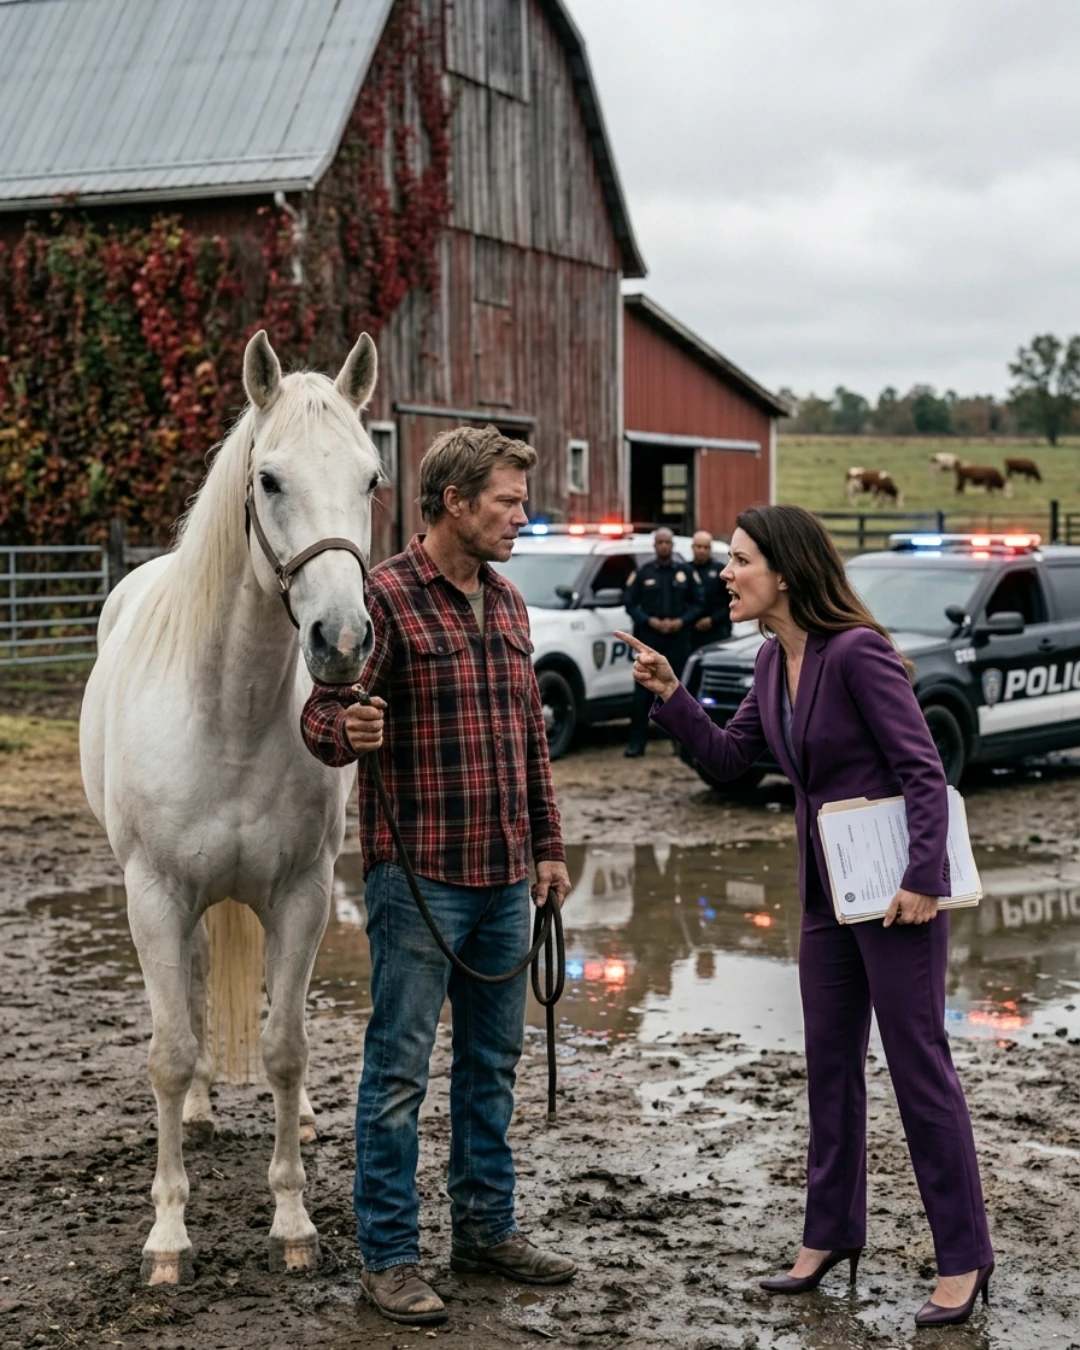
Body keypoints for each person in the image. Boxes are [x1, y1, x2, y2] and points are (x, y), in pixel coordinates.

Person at [615, 503, 994, 1330]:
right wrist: (673, 695)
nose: (726, 572)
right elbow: (726, 759)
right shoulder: (766, 666)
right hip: (829, 901)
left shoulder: (858, 654)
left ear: (784, 572)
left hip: (898, 899)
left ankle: (964, 1256)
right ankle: (829, 1235)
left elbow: (923, 771)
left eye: (740, 559)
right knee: (829, 1070)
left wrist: (923, 876)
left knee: (919, 1071)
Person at [301, 425, 575, 1327]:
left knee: (491, 1069)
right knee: (399, 1077)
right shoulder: (381, 597)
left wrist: (548, 847)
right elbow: (323, 714)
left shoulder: (507, 601)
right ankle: (388, 1256)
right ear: (454, 501)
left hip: (504, 881)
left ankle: (486, 1231)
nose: (520, 517)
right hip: (419, 883)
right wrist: (351, 733)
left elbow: (530, 737)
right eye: (506, 501)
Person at [622, 527, 701, 757]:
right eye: (660, 542)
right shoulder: (644, 572)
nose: (664, 546)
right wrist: (650, 621)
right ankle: (636, 743)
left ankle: (683, 745)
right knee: (642, 695)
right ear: (655, 545)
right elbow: (629, 603)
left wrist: (681, 621)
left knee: (679, 692)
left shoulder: (685, 572)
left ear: (672, 545)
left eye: (667, 542)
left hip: (678, 641)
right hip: (650, 641)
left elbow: (699, 602)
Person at [689, 529, 732, 649]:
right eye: (699, 546)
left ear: (710, 549)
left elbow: (731, 601)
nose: (702, 550)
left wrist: (712, 620)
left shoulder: (721, 571)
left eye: (705, 547)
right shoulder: (685, 570)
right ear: (693, 547)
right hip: (690, 632)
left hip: (717, 631)